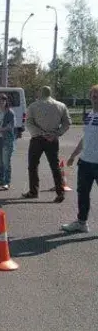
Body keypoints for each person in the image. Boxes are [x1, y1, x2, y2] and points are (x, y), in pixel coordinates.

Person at [22, 86, 71, 203]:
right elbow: (67, 122)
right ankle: (60, 193)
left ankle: (33, 191)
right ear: (50, 93)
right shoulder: (61, 105)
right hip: (53, 139)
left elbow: (28, 122)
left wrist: (41, 133)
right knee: (55, 166)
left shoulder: (33, 106)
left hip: (37, 138)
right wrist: (56, 134)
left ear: (40, 93)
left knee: (33, 166)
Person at [61, 84, 98, 233]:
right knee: (82, 194)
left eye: (97, 95)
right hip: (85, 163)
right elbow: (85, 138)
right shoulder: (90, 115)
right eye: (93, 95)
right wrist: (73, 155)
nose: (95, 98)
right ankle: (81, 223)